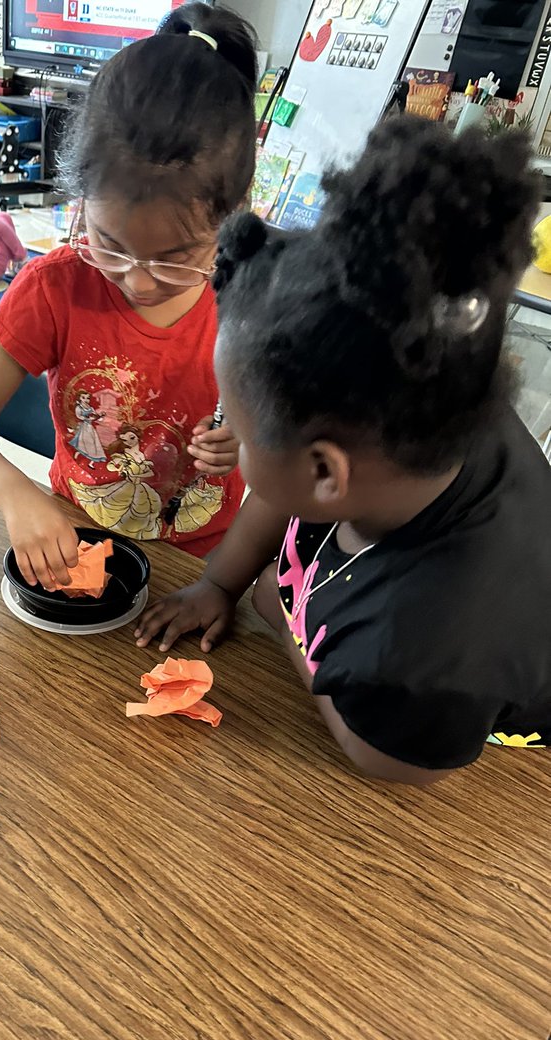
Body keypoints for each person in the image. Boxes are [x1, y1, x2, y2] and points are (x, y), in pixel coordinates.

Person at [136, 118, 551, 782]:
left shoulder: (426, 655)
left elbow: (385, 757)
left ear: (328, 471)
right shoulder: (423, 411)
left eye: (242, 434)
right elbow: (285, 486)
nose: (232, 441)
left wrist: (283, 620)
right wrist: (222, 581)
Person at [0, 1, 257, 589]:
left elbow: (285, 452)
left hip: (205, 571)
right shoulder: (56, 286)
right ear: (79, 201)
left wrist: (247, 444)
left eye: (176, 258)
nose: (136, 280)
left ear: (233, 215)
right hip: (73, 544)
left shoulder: (252, 297)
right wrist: (16, 496)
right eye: (108, 244)